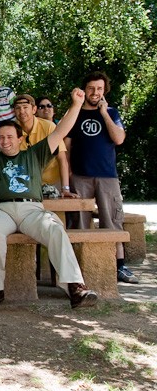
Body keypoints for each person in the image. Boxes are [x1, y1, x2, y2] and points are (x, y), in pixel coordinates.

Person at [0, 88, 98, 311]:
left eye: (9, 137)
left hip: (32, 211)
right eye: (0, 138)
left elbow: (61, 131)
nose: (5, 141)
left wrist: (76, 104)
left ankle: (75, 288)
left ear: (20, 138)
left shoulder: (35, 154)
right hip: (1, 210)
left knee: (55, 229)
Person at [65, 71, 137, 284]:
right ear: (84, 90)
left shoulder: (112, 113)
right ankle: (81, 268)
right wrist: (68, 174)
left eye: (99, 89)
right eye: (91, 88)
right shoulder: (75, 112)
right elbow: (66, 146)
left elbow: (119, 138)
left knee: (112, 220)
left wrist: (104, 114)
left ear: (104, 90)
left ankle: (119, 267)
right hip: (80, 176)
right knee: (80, 223)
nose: (95, 92)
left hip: (107, 177)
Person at [13, 94, 73, 196]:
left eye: (25, 107)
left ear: (34, 109)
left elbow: (62, 159)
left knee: (55, 211)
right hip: (27, 185)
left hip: (53, 182)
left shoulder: (49, 126)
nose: (22, 111)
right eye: (18, 108)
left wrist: (65, 189)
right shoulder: (12, 129)